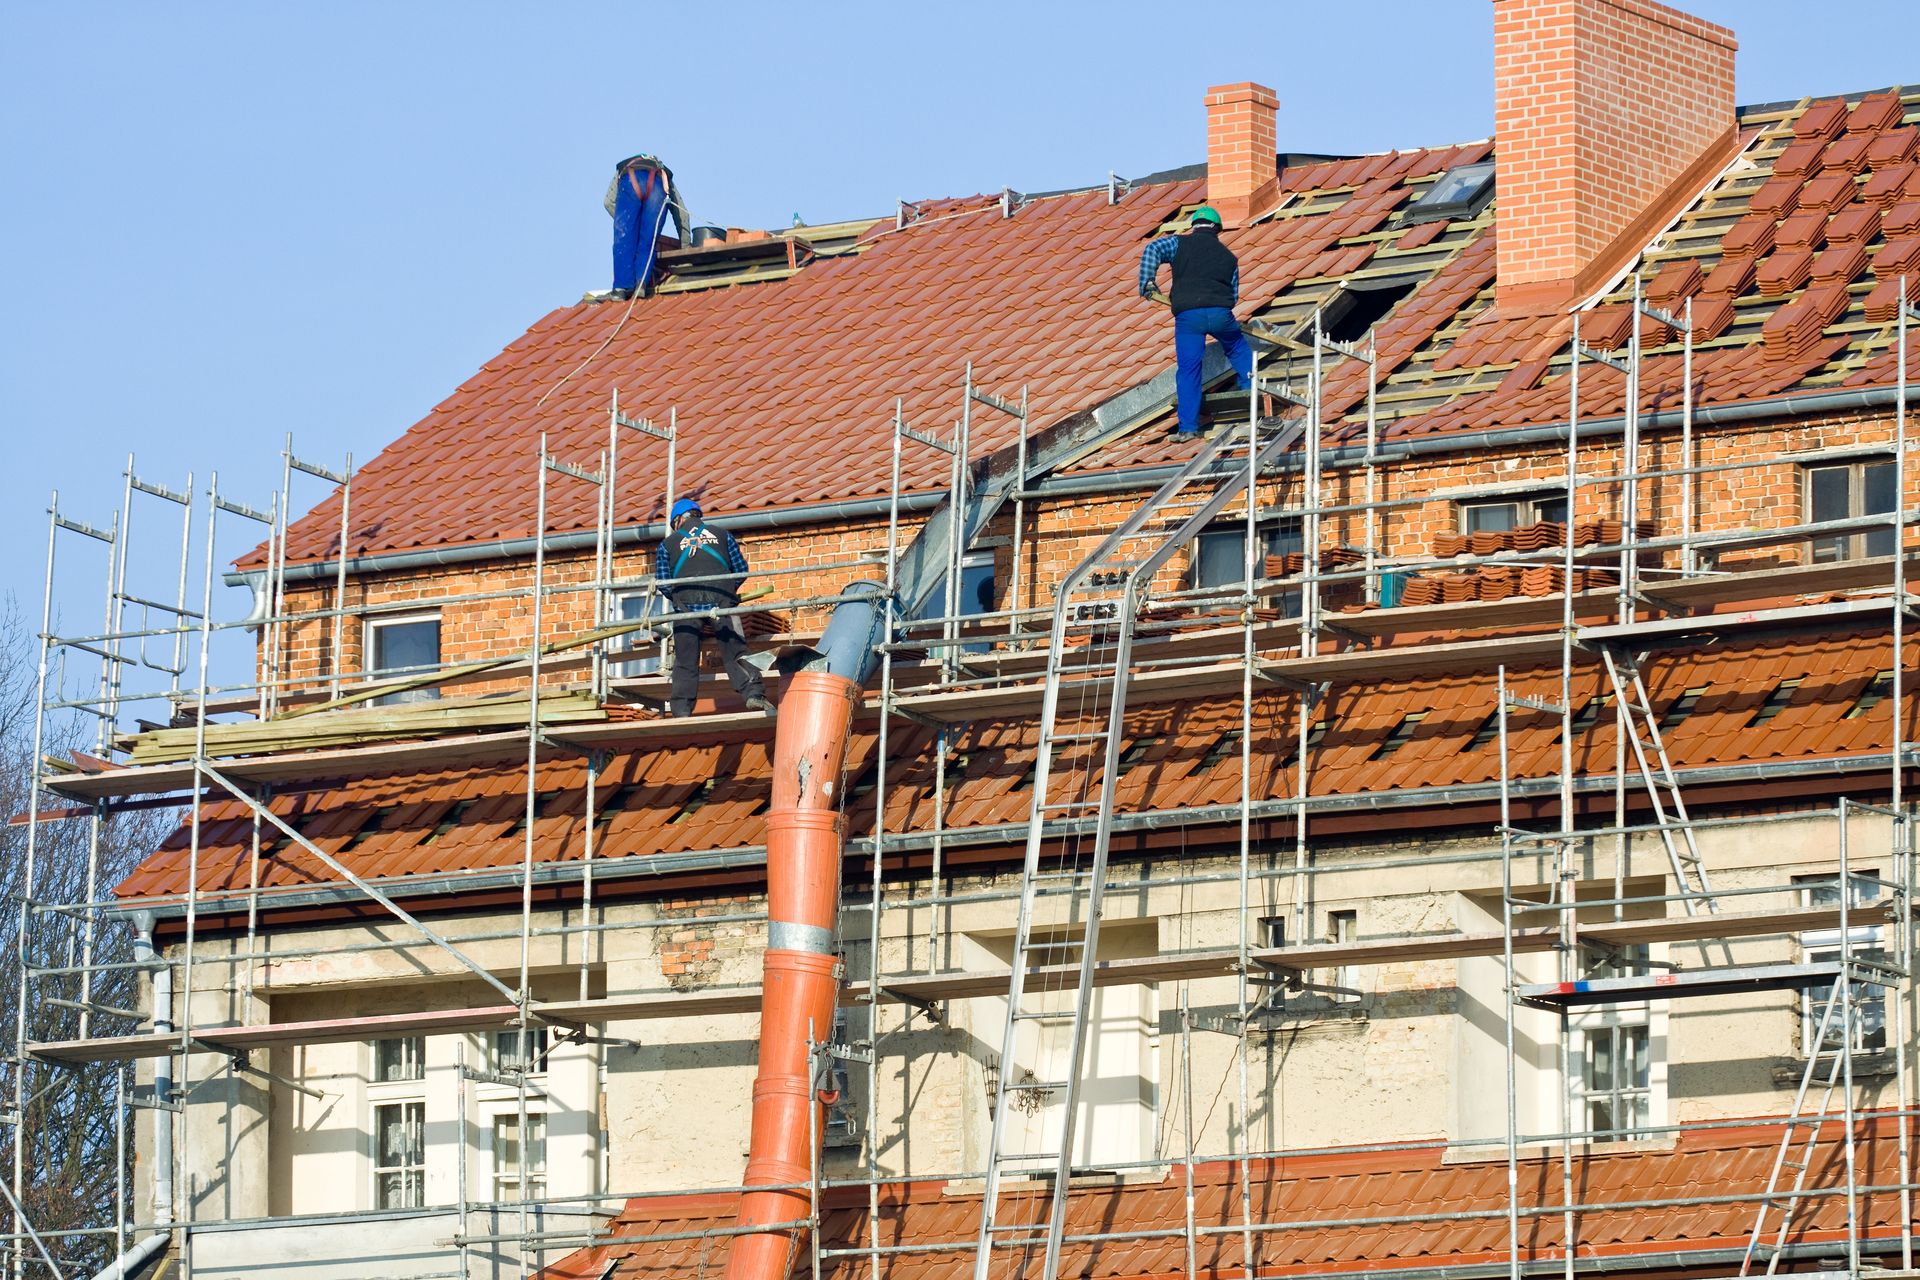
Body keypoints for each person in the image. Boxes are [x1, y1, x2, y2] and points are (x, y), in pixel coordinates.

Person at [1137, 205, 1255, 435]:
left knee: (1189, 370)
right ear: (1217, 230)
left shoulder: (1179, 243)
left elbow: (1152, 249)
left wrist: (1148, 283)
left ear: (1194, 227)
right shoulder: (1229, 257)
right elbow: (1233, 295)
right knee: (1238, 348)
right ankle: (1250, 388)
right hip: (1221, 313)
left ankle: (1188, 428)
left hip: (1188, 316)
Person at [656, 497, 775, 717]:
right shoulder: (723, 535)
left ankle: (681, 710)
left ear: (678, 521)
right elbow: (741, 569)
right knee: (735, 648)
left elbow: (663, 582)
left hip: (686, 605)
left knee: (685, 659)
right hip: (722, 599)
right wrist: (727, 590)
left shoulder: (666, 545)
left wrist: (681, 598)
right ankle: (753, 694)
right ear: (698, 516)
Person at [600, 154, 692, 302]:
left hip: (631, 179)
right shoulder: (664, 175)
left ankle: (621, 289)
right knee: (648, 239)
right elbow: (681, 214)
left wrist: (631, 226)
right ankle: (641, 285)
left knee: (624, 238)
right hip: (658, 187)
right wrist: (686, 245)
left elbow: (608, 202)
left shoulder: (623, 168)